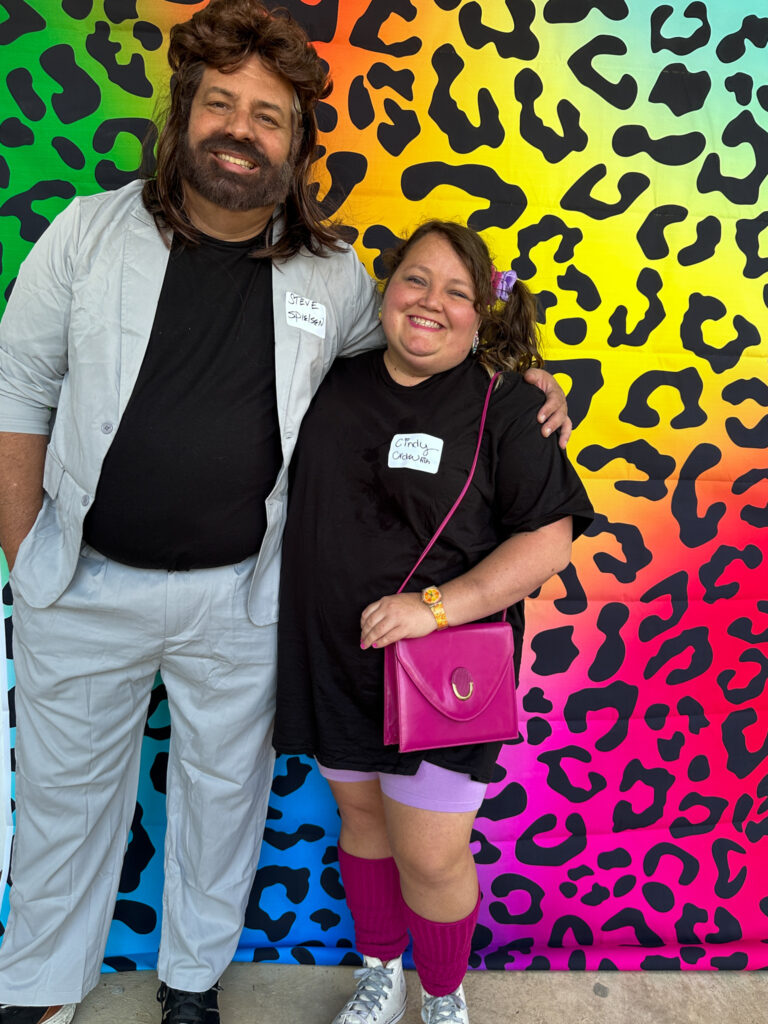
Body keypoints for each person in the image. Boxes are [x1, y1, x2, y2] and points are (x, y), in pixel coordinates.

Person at [0, 4, 571, 1024]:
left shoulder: (331, 276)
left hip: (241, 599)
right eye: (220, 103)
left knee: (222, 803)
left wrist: (532, 381)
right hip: (83, 584)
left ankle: (191, 985)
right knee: (61, 803)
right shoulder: (83, 233)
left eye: (268, 116)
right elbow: (16, 390)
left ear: (295, 146)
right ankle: (38, 988)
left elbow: (423, 347)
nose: (240, 128)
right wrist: (26, 552)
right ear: (182, 118)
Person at [274, 220, 594, 1024]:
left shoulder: (509, 405)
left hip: (443, 675)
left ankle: (444, 993)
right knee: (361, 822)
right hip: (331, 656)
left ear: (483, 314)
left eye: (457, 291)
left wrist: (434, 609)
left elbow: (548, 538)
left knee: (432, 850)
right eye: (417, 280)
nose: (432, 303)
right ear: (387, 291)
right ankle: (381, 973)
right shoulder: (327, 379)